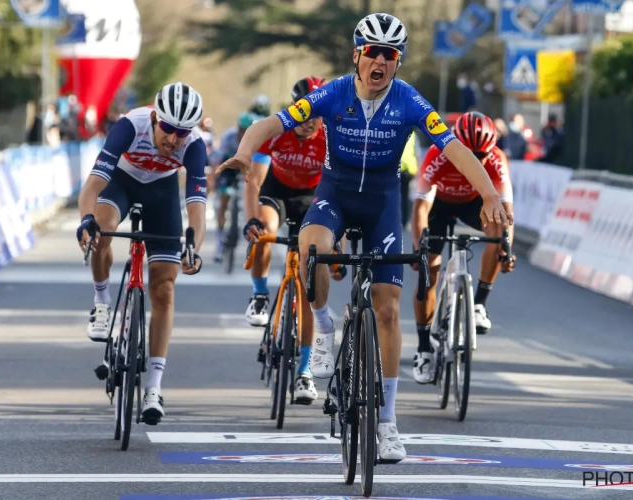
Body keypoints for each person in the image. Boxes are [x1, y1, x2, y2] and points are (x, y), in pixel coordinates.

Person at [216, 13, 511, 462]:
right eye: (372, 52)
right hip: (334, 196)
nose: (380, 61)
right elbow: (269, 124)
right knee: (310, 247)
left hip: (381, 205)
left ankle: (388, 423)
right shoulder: (333, 93)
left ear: (398, 62)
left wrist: (489, 192)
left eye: (390, 55)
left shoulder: (408, 101)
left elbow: (453, 147)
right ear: (357, 55)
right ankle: (323, 327)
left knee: (388, 310)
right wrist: (241, 154)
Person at [76, 82, 207, 425]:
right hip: (122, 183)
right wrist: (86, 220)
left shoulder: (193, 146)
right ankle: (102, 301)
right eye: (169, 130)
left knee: (164, 287)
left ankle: (153, 386)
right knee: (102, 228)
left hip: (161, 194)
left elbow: (196, 206)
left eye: (183, 132)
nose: (174, 140)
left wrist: (194, 243)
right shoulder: (129, 126)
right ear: (154, 118)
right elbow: (93, 185)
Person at [242, 76, 340, 405]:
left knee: (308, 280)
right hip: (277, 192)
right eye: (303, 114)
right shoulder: (278, 129)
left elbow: (338, 188)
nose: (309, 122)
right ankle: (259, 295)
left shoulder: (330, 137)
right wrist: (252, 220)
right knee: (265, 233)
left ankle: (304, 372)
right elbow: (254, 181)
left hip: (312, 198)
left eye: (316, 116)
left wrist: (335, 236)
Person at [410, 111, 515, 384]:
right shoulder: (438, 154)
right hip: (440, 205)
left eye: (483, 155)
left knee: (497, 232)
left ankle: (478, 304)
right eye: (471, 154)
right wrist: (419, 249)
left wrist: (507, 248)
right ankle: (423, 348)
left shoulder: (497, 160)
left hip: (473, 203)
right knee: (428, 271)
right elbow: (420, 208)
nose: (477, 161)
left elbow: (506, 213)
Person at [209, 112, 260, 262]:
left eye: (249, 131)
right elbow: (217, 160)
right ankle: (219, 241)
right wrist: (215, 178)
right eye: (243, 130)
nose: (245, 134)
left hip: (247, 167)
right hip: (229, 168)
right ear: (238, 128)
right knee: (224, 200)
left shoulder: (258, 139)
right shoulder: (228, 137)